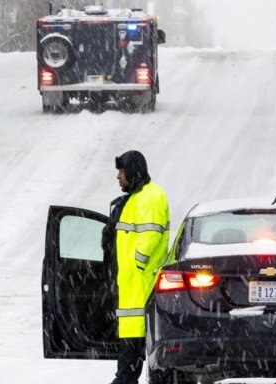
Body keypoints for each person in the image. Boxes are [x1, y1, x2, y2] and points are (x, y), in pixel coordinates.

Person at [108, 150, 170, 384]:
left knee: (128, 366)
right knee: (129, 363)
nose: (118, 177)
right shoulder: (136, 197)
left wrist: (138, 262)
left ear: (133, 171)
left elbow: (151, 234)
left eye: (121, 172)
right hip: (133, 290)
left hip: (141, 288)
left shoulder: (150, 197)